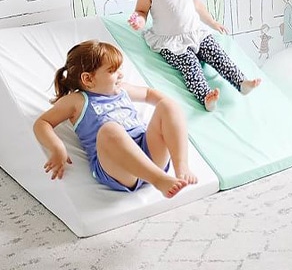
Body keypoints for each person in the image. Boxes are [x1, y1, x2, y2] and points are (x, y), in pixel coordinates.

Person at [33, 40, 196, 198]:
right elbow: (43, 123)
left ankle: (181, 167)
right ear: (88, 79)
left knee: (168, 104)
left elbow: (148, 94)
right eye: (113, 70)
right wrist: (57, 148)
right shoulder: (78, 100)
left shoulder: (122, 89)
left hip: (149, 154)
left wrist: (171, 115)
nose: (121, 75)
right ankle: (159, 180)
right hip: (118, 168)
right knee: (109, 129)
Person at [129, 0, 260, 111]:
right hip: (170, 42)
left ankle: (241, 82)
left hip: (195, 33)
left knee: (218, 54)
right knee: (190, 66)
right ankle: (206, 97)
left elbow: (197, 5)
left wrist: (212, 22)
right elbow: (141, 11)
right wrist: (139, 20)